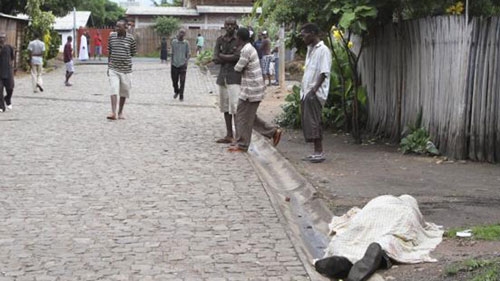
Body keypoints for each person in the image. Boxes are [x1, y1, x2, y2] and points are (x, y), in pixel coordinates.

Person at [223, 27, 282, 152]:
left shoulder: (246, 50)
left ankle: (243, 144)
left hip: (252, 90)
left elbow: (238, 68)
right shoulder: (248, 48)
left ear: (239, 38)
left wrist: (233, 55)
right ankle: (273, 131)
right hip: (250, 88)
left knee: (243, 117)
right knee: (249, 116)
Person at [299, 23, 332, 163]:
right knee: (309, 122)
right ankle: (316, 152)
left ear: (312, 33)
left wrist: (313, 90)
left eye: (304, 34)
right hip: (307, 92)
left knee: (314, 122)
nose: (303, 37)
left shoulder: (323, 50)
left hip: (315, 93)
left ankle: (319, 152)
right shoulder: (311, 49)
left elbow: (324, 73)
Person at [212, 17, 241, 144]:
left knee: (235, 107)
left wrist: (222, 56)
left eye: (232, 25)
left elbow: (238, 58)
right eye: (227, 24)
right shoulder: (220, 40)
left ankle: (239, 136)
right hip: (222, 77)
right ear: (224, 25)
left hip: (235, 77)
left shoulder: (239, 41)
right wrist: (229, 58)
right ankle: (229, 134)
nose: (229, 27)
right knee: (225, 107)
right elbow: (215, 58)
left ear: (235, 26)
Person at [106, 19, 137, 120]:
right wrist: (108, 66)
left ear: (125, 28)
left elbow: (133, 52)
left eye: (119, 27)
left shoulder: (130, 39)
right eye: (116, 26)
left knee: (124, 92)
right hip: (113, 68)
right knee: (113, 89)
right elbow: (109, 51)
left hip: (126, 70)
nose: (116, 28)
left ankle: (120, 112)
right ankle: (113, 112)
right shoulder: (111, 37)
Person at [170, 29, 190, 101]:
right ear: (178, 33)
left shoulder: (186, 43)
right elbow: (171, 53)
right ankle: (176, 91)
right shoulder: (174, 42)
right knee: (174, 81)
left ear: (184, 35)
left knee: (182, 80)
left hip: (182, 65)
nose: (182, 34)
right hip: (174, 64)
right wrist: (171, 62)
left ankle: (181, 95)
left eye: (183, 33)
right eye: (181, 32)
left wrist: (186, 62)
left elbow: (188, 54)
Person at [0, 32, 14, 112]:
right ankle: (1, 106)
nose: (1, 39)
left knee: (10, 88)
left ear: (5, 39)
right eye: (0, 38)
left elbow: (12, 58)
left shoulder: (9, 47)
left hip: (8, 72)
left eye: (3, 37)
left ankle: (7, 99)